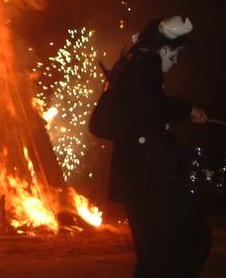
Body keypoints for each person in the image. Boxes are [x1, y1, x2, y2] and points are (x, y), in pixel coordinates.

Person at [89, 14, 212, 278]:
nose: (176, 61)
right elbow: (150, 107)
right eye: (176, 53)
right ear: (165, 47)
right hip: (152, 178)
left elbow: (118, 119)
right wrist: (186, 108)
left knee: (152, 258)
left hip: (132, 182)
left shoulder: (128, 67)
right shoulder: (149, 61)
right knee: (196, 241)